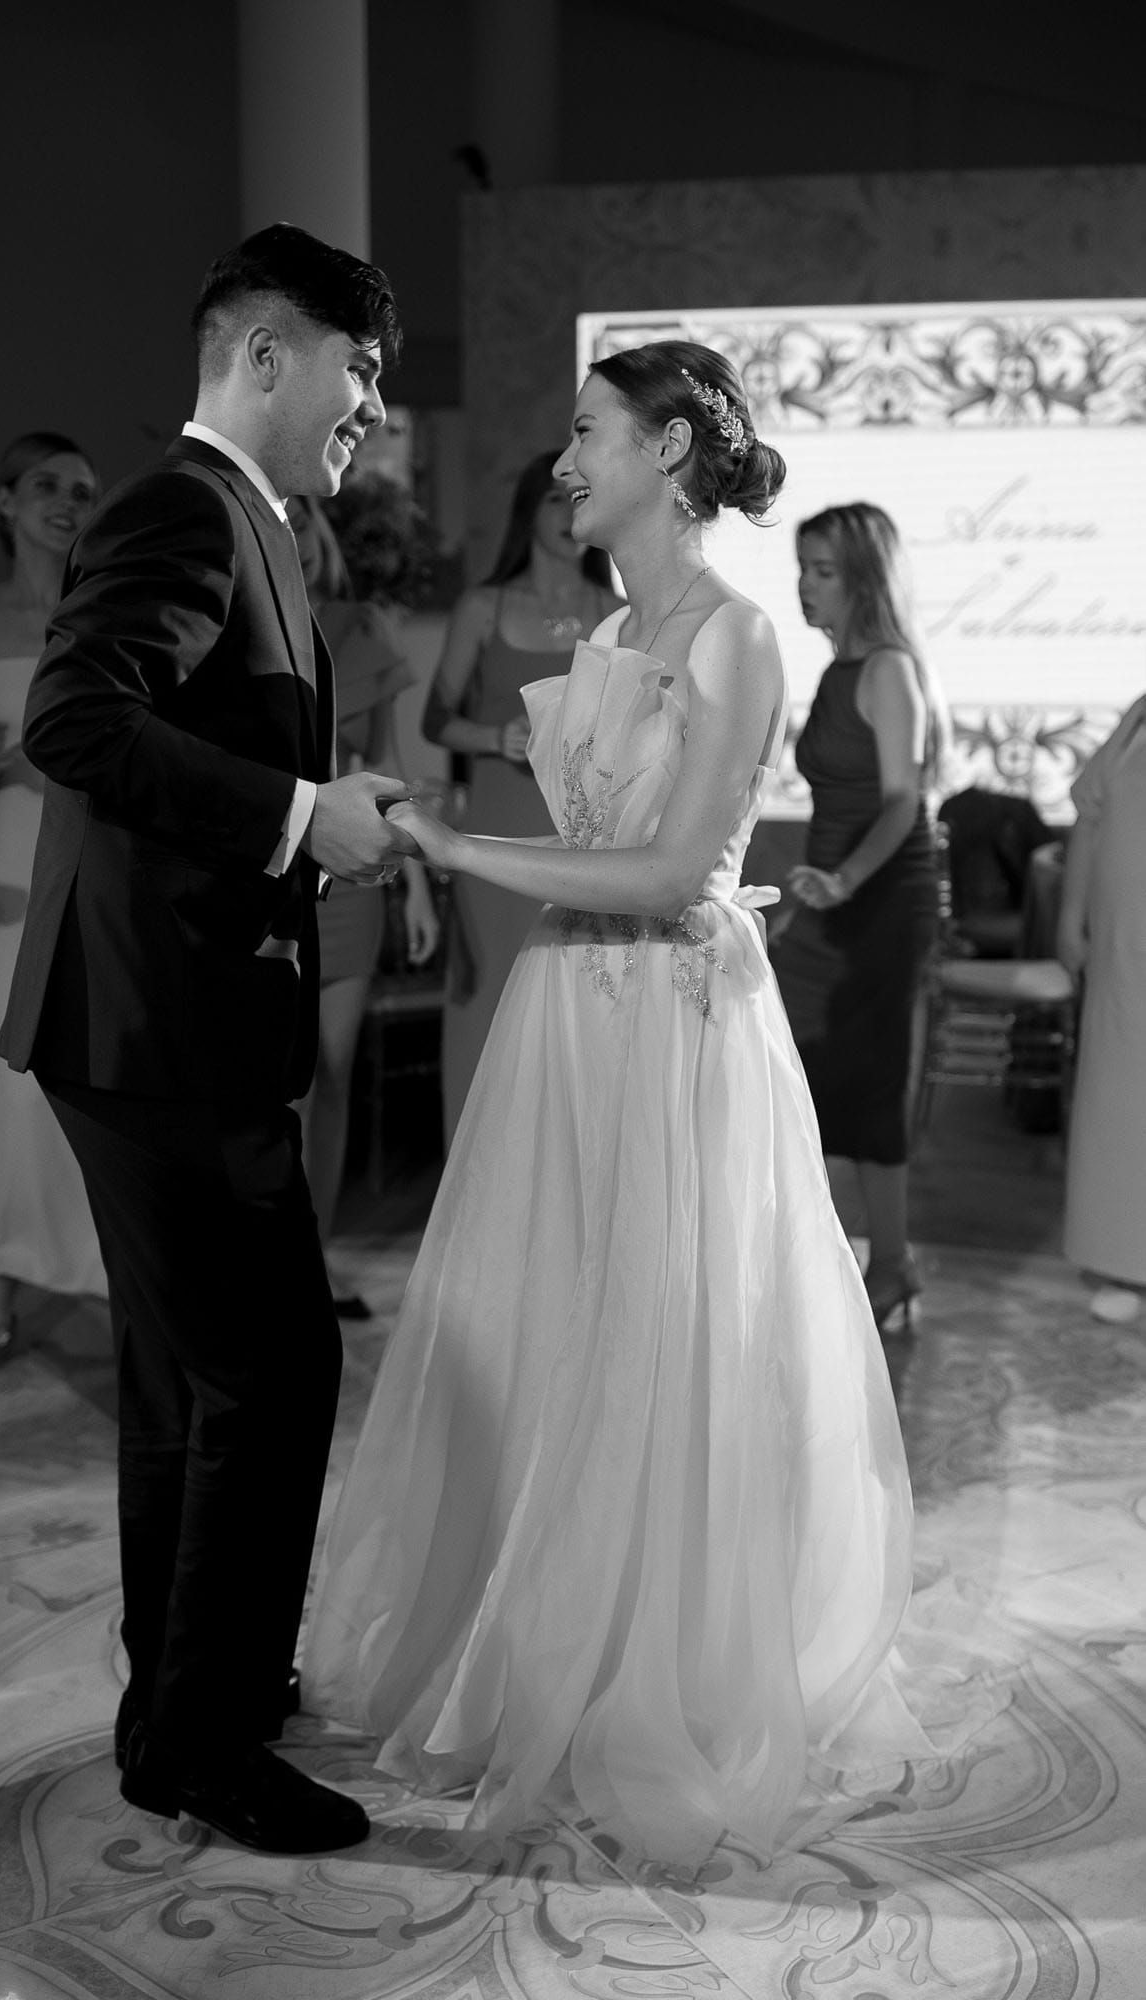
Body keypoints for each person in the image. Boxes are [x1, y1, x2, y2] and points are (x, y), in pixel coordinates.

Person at [305, 343, 962, 1866]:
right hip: (563, 1015)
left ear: (670, 451)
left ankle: (635, 1670)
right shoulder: (609, 627)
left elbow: (677, 873)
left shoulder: (732, 639)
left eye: (588, 434)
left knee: (657, 1339)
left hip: (670, 1016)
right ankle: (532, 1638)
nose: (563, 464)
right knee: (547, 1327)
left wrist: (460, 853)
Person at [0, 223, 413, 1858]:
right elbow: (73, 718)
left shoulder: (260, 522)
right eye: (356, 367)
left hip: (162, 1015)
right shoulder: (182, 504)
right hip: (159, 1018)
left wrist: (305, 822)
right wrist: (304, 815)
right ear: (259, 354)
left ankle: (176, 1709)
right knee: (273, 1369)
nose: (369, 404)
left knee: (188, 1381)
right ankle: (213, 1734)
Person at [0, 435, 107, 1356]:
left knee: (93, 1081)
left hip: (93, 858)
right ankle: (10, 1262)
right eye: (45, 485)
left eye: (81, 490)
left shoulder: (106, 611)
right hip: (13, 864)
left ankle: (104, 1263)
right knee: (20, 1089)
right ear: (5, 503)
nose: (66, 501)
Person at [774, 503, 949, 1333]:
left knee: (868, 1078)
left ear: (864, 580)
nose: (804, 587)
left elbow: (901, 804)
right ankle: (854, 1260)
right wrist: (810, 897)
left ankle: (890, 1262)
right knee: (808, 1077)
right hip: (831, 894)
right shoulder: (835, 669)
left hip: (882, 898)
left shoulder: (886, 669)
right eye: (803, 569)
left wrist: (841, 883)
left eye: (823, 572)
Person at [422, 450, 620, 1139]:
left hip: (583, 840)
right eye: (552, 500)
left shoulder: (618, 614)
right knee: (489, 1009)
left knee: (579, 1017)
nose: (567, 516)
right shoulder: (483, 607)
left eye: (579, 497)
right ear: (526, 512)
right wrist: (490, 737)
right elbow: (434, 720)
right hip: (496, 832)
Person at [288, 490, 438, 1317]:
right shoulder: (238, 621)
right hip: (268, 872)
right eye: (284, 521)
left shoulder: (360, 627)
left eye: (308, 520)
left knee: (334, 1075)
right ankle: (272, 1257)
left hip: (350, 884)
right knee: (288, 1080)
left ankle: (315, 1253)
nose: (300, 537)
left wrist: (412, 878)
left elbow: (388, 765)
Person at [1058, 693, 1146, 1324]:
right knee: (1118, 1103)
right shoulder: (1138, 717)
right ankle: (1124, 1261)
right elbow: (1090, 816)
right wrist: (1069, 920)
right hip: (1123, 953)